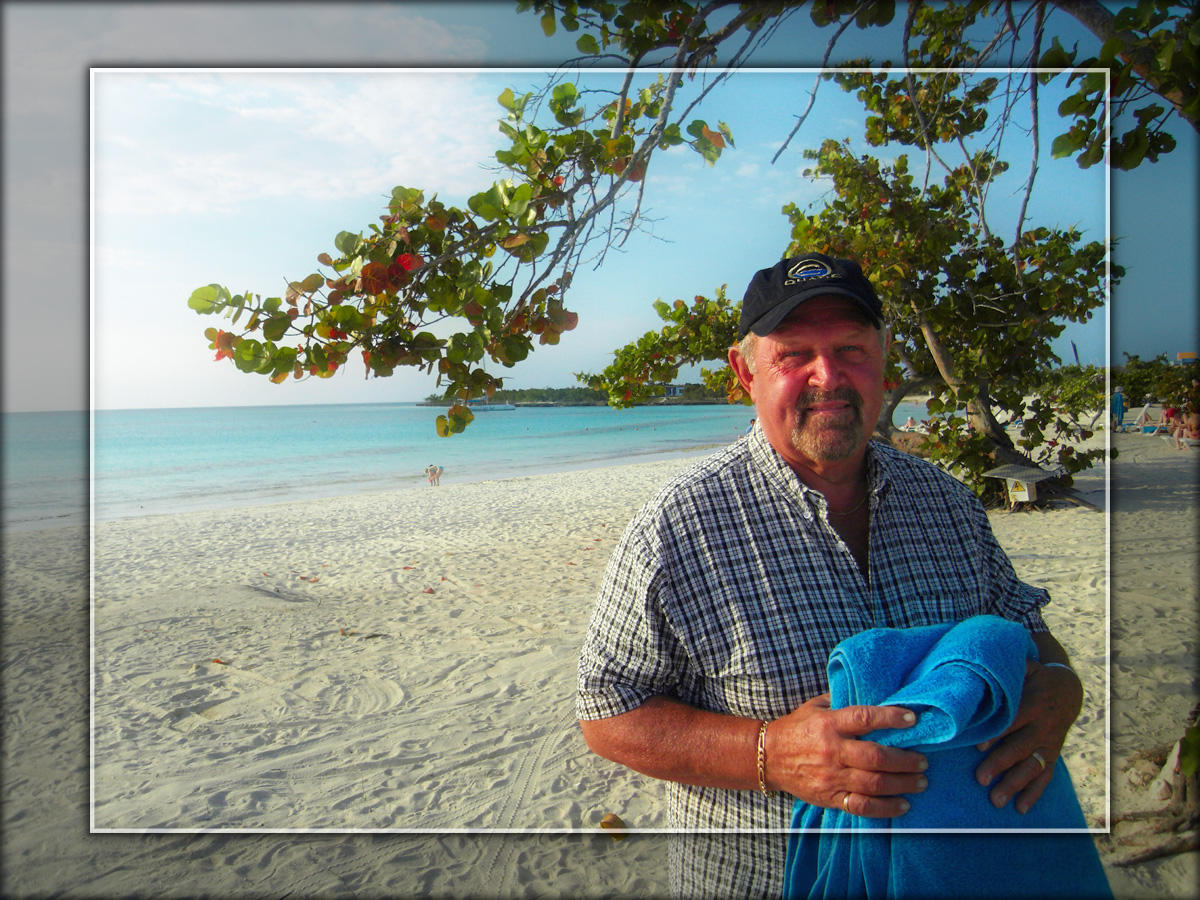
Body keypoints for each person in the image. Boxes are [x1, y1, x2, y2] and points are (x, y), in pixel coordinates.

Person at [576, 253, 1086, 898]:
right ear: (745, 371)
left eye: (850, 348)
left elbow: (1024, 627)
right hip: (755, 879)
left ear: (884, 361)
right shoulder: (678, 529)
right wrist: (768, 753)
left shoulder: (949, 504)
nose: (829, 376)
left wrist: (1062, 687)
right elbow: (607, 712)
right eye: (795, 354)